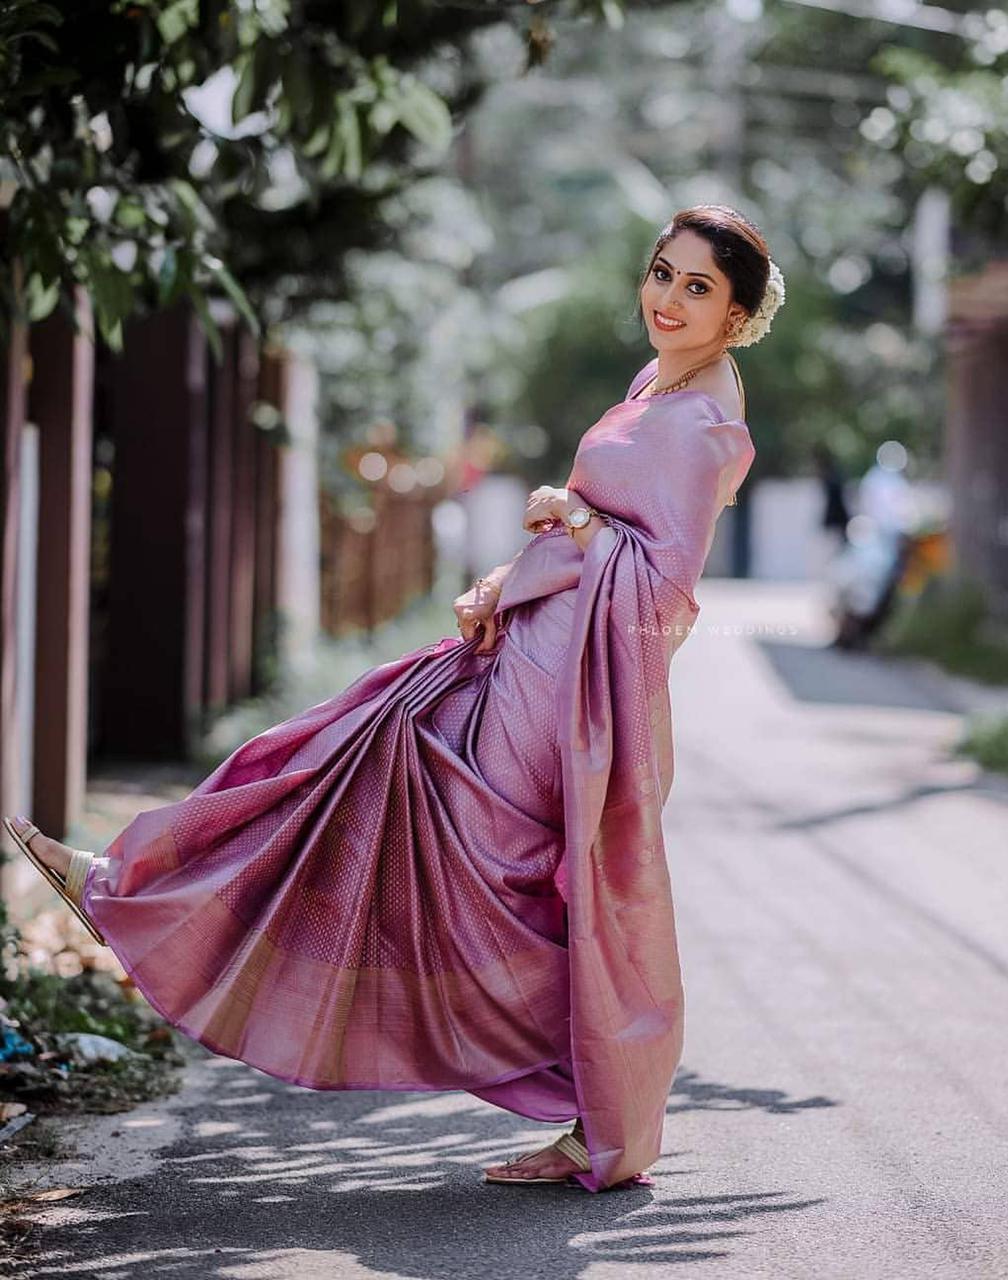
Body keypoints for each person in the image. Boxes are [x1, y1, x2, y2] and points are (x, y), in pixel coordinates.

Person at [5, 204, 784, 1193]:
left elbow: (661, 592)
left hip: (565, 692)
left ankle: (601, 1111)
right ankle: (136, 886)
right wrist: (509, 575)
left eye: (697, 287)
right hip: (526, 648)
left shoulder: (708, 425)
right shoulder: (657, 379)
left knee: (469, 881)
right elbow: (600, 529)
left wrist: (576, 521)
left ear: (738, 314)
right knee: (350, 747)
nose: (667, 299)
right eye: (661, 273)